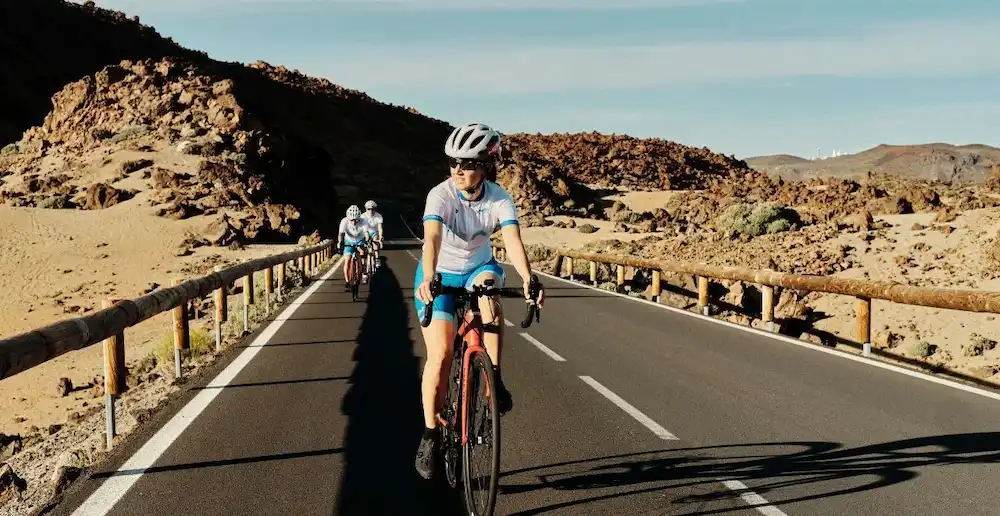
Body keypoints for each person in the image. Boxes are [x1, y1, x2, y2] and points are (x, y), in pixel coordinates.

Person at [413, 122, 545, 480]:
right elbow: (432, 238)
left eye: (468, 163)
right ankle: (429, 435)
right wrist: (428, 278)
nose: (458, 169)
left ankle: (494, 378)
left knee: (490, 296)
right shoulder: (440, 195)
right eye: (454, 161)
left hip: (478, 269)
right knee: (439, 355)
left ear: (487, 166)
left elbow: (513, 241)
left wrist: (528, 278)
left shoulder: (499, 197)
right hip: (439, 272)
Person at [337, 205, 369, 287]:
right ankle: (347, 281)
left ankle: (364, 270)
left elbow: (366, 233)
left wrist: (367, 240)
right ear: (348, 218)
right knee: (347, 260)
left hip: (360, 240)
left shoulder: (363, 221)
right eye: (352, 220)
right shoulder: (344, 221)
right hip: (349, 241)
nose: (354, 222)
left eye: (356, 220)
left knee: (362, 252)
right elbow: (340, 234)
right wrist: (340, 242)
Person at [361, 200, 384, 270]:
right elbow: (361, 228)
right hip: (365, 231)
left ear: (375, 209)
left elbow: (380, 228)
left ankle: (377, 258)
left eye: (372, 209)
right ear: (366, 209)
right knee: (364, 246)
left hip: (374, 232)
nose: (371, 211)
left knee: (375, 243)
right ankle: (363, 260)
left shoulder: (379, 216)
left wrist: (380, 239)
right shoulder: (362, 216)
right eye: (369, 209)